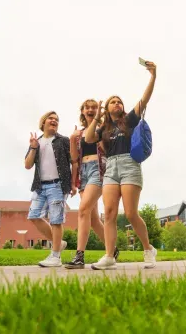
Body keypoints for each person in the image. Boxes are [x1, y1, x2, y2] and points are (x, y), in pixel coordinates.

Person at [85, 60, 157, 270]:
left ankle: (147, 249)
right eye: (112, 102)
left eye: (119, 101)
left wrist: (153, 76)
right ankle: (109, 256)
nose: (117, 104)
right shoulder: (104, 128)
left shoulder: (129, 120)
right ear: (107, 108)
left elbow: (144, 100)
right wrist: (96, 117)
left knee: (131, 213)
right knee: (108, 213)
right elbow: (89, 139)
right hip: (111, 168)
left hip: (129, 164)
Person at [65, 99, 119, 269]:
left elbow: (107, 148)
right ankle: (113, 250)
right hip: (83, 172)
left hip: (98, 168)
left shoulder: (103, 129)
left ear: (99, 111)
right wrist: (72, 140)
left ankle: (79, 256)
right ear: (82, 111)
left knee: (83, 210)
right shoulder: (78, 133)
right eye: (87, 107)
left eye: (94, 107)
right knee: (93, 218)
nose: (90, 109)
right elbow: (74, 159)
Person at [25, 111, 73, 267]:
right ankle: (59, 243)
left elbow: (74, 161)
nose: (54, 121)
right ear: (43, 122)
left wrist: (73, 184)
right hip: (40, 186)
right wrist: (33, 148)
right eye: (51, 118)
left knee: (56, 220)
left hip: (58, 184)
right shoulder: (36, 142)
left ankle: (56, 256)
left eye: (56, 119)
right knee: (33, 216)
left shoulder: (64, 141)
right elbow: (27, 165)